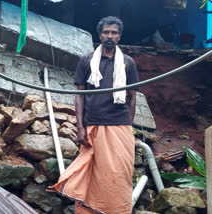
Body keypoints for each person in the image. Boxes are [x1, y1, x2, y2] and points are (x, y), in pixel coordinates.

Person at [49, 16, 139, 214]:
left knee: (119, 175)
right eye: (106, 32)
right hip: (93, 126)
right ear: (100, 35)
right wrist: (80, 126)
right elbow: (79, 96)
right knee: (91, 174)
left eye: (114, 33)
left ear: (119, 36)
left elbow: (132, 97)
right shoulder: (87, 60)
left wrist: (127, 124)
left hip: (119, 127)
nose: (109, 36)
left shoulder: (128, 63)